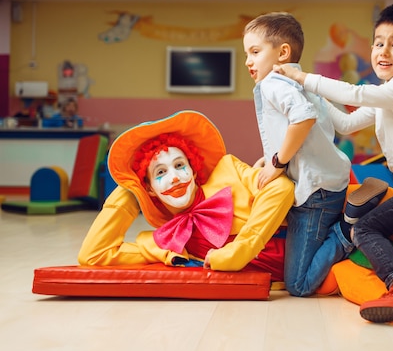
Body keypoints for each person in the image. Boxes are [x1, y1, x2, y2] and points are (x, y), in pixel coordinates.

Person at [276, 3, 393, 319]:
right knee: (375, 228)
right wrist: (310, 96)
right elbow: (345, 124)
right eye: (379, 43)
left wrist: (301, 77)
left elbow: (355, 94)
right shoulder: (391, 93)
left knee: (366, 230)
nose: (383, 51)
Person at [243, 12, 384, 297]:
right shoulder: (303, 83)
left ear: (283, 52)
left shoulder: (273, 83)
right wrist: (269, 156)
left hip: (314, 192)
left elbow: (303, 118)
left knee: (298, 284)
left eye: (255, 52)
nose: (248, 61)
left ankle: (350, 227)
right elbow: (331, 125)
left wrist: (278, 162)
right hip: (329, 181)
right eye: (246, 53)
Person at [77, 110, 295, 282]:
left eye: (179, 165)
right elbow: (93, 255)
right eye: (160, 172)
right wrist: (131, 192)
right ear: (150, 188)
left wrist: (239, 251)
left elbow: (280, 187)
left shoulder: (229, 170)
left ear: (193, 170)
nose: (173, 178)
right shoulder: (168, 240)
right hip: (289, 285)